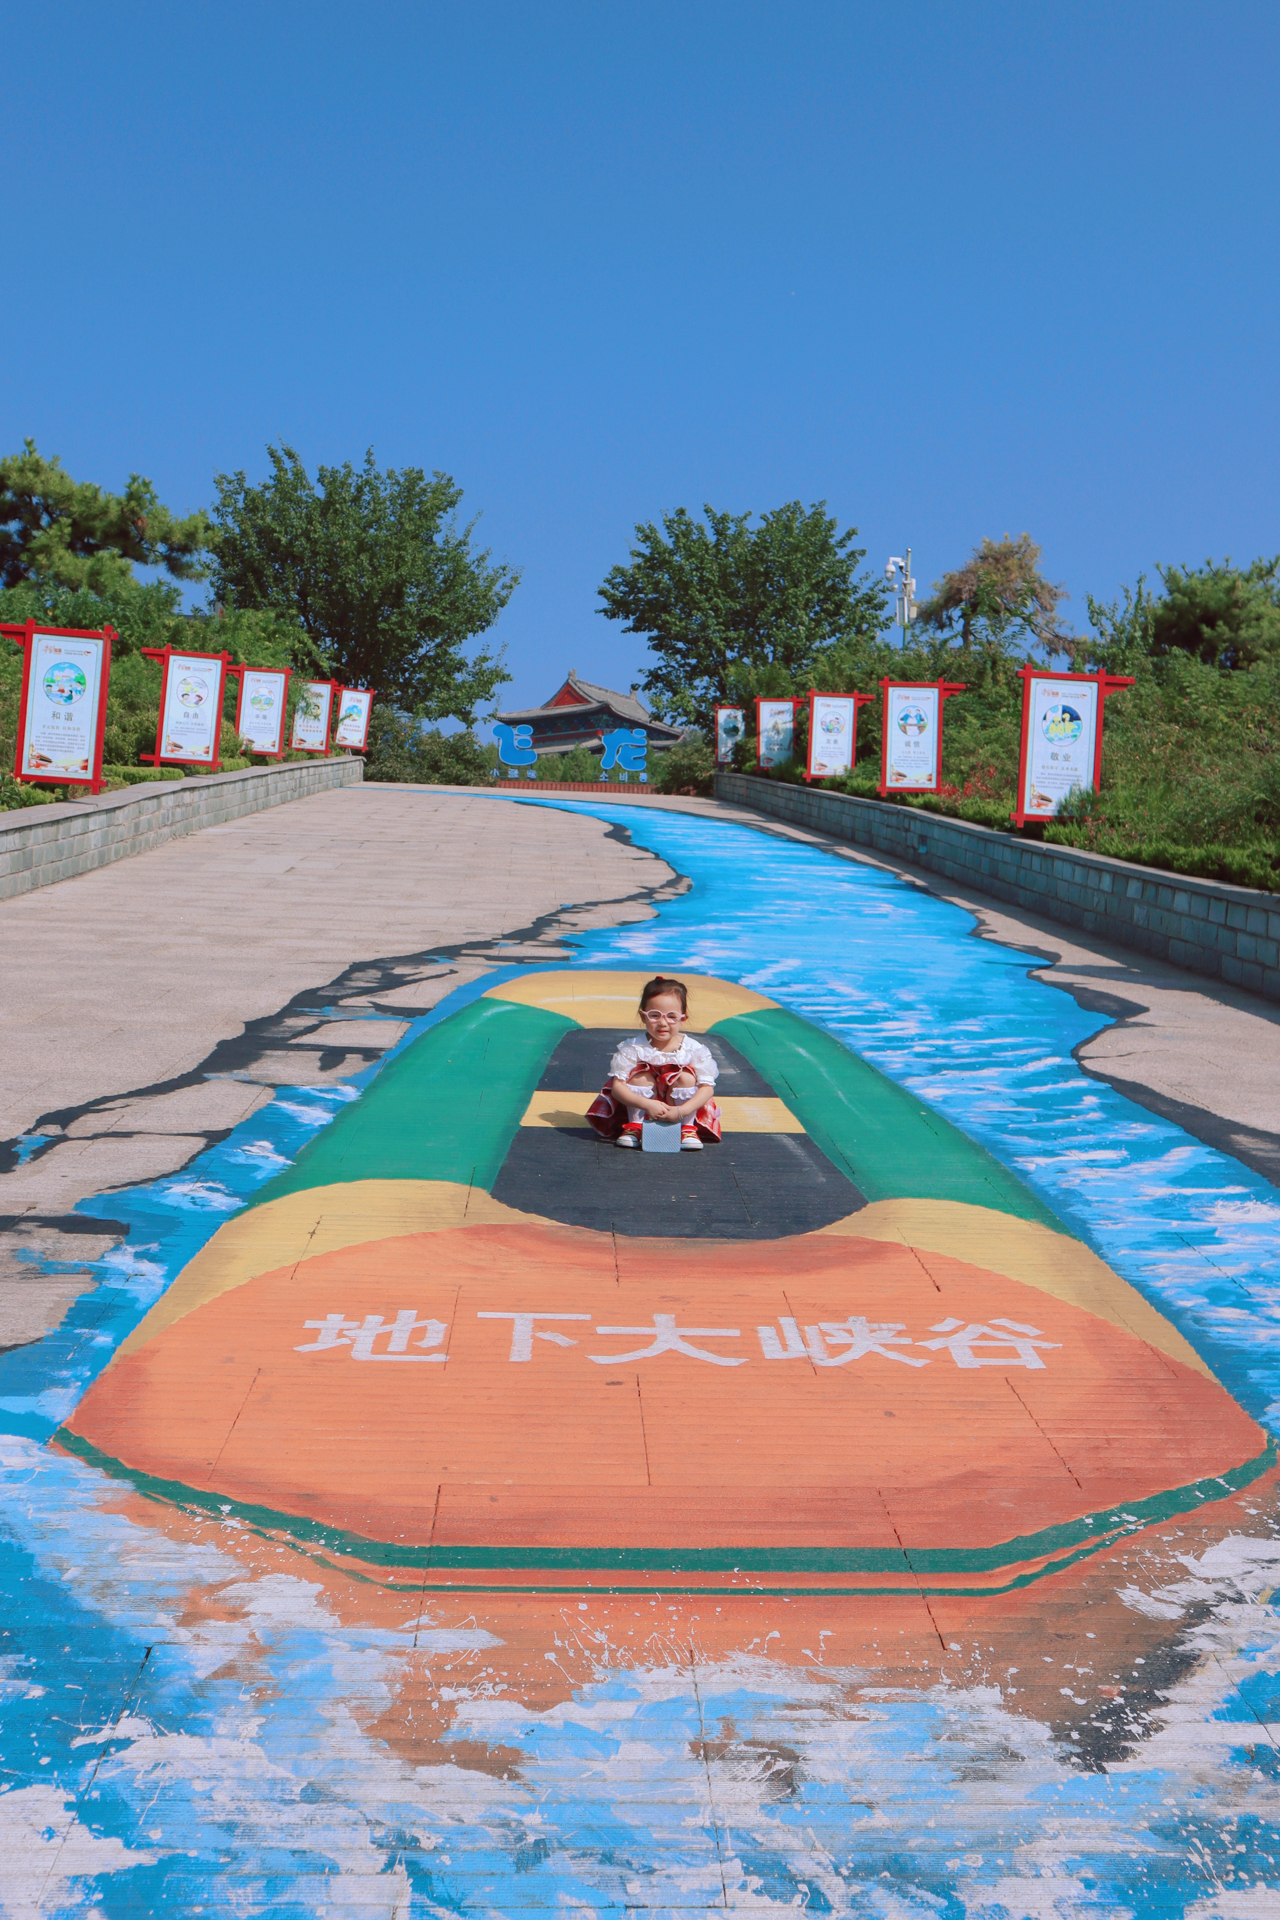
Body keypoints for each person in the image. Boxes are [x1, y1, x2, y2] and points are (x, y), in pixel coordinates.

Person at [586, 975, 722, 1151]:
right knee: (639, 1076)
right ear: (643, 1017)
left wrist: (680, 1112)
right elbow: (617, 1088)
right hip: (643, 1106)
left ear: (683, 1018)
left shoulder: (692, 1049)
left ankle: (686, 1128)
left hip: (681, 1110)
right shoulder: (633, 1048)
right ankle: (636, 1125)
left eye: (671, 1016)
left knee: (687, 1077)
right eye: (654, 1015)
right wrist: (647, 1105)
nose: (663, 1023)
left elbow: (707, 1088)